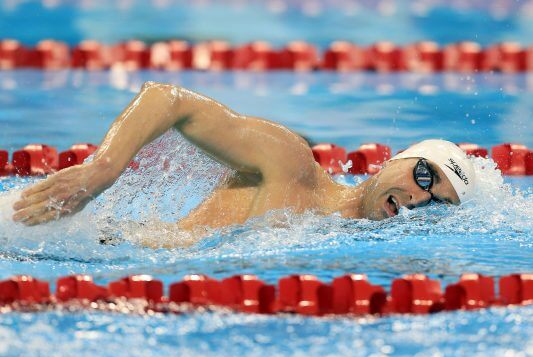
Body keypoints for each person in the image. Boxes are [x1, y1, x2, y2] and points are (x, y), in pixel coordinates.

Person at [11, 82, 476, 247]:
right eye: (424, 174)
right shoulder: (293, 166)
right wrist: (103, 170)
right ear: (396, 160)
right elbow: (169, 99)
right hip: (82, 246)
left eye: (435, 201)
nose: (418, 196)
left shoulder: (356, 247)